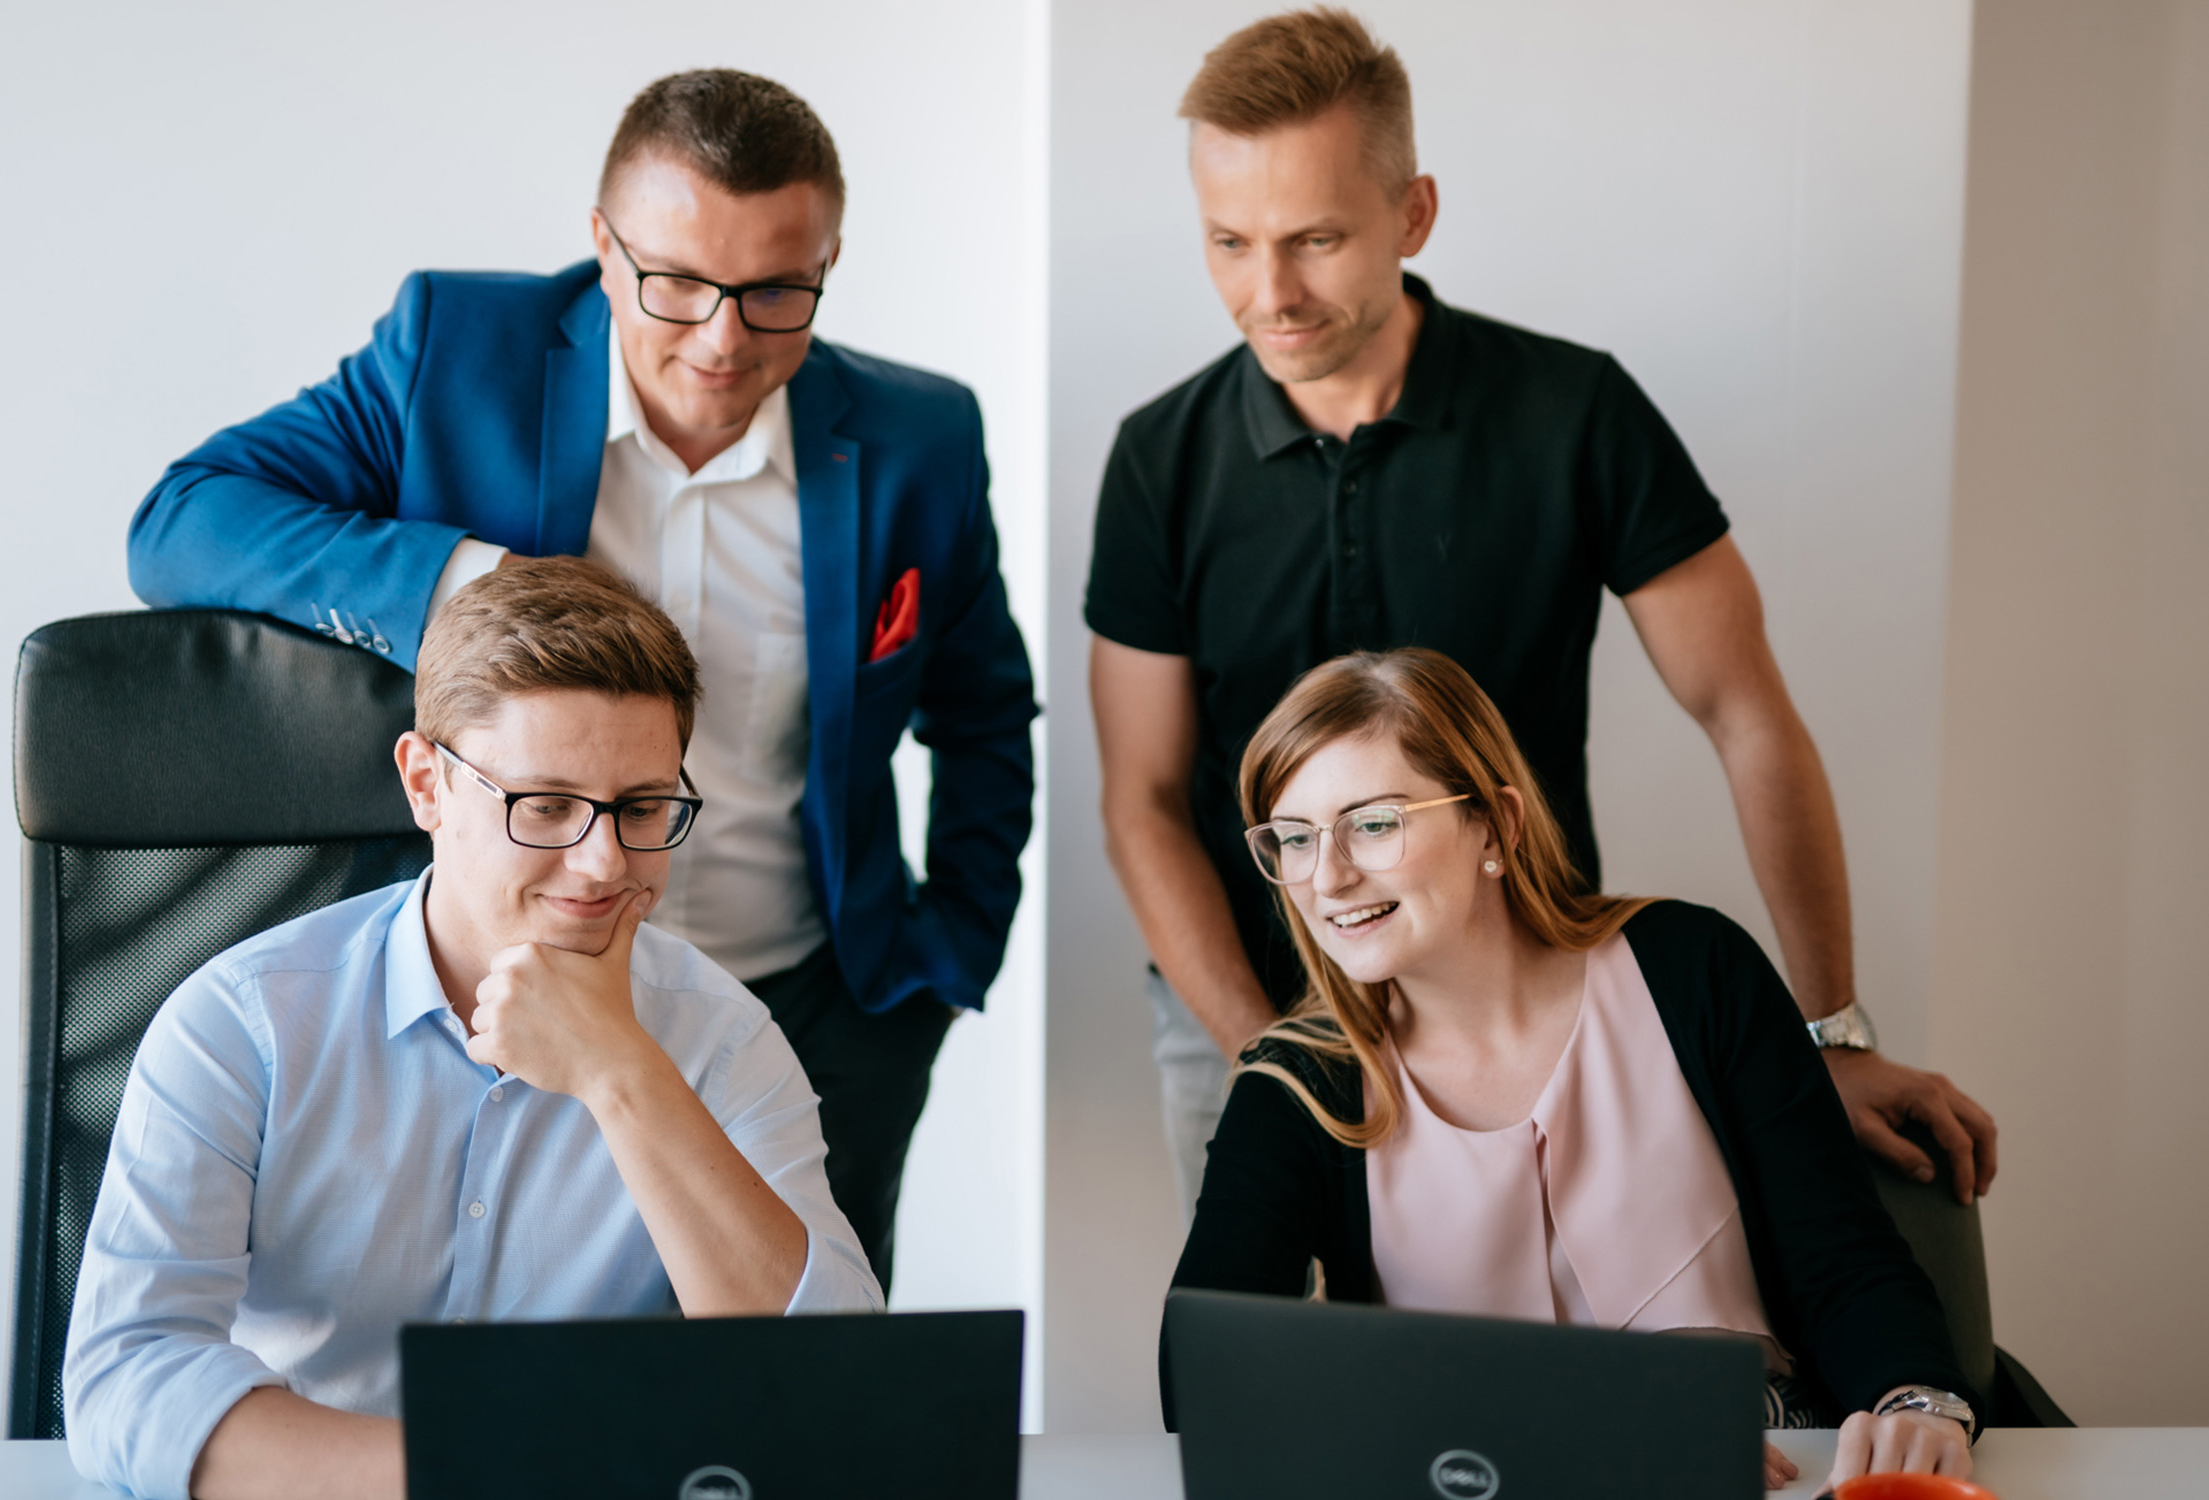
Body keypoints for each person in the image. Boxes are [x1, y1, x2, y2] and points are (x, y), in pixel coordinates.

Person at [125, 69, 1037, 1289]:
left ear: (827, 262)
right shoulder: (456, 352)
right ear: (603, 249)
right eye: (675, 285)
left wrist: (941, 963)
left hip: (817, 1014)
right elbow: (182, 521)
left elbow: (982, 713)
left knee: (803, 1402)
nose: (723, 338)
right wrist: (464, 582)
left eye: (776, 291)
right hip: (498, 1002)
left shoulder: (922, 436)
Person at [1084, 8, 1995, 1216]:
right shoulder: (1159, 459)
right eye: (1228, 242)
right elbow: (1141, 800)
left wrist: (1827, 1032)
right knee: (1276, 1397)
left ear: (1412, 215)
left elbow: (1746, 716)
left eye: (1313, 238)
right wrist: (1280, 1065)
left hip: (1545, 1015)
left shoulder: (1576, 413)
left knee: (1544, 1389)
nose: (1270, 292)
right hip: (1250, 1017)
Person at [63, 558, 879, 1500]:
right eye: (547, 806)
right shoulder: (244, 1025)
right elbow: (128, 1374)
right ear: (427, 787)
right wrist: (474, 1474)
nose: (603, 862)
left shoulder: (723, 1039)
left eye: (643, 807)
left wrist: (622, 1074)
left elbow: (837, 1391)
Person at [1166, 647, 1978, 1492]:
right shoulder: (1295, 1082)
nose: (1326, 877)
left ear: (1496, 825)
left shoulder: (1696, 971)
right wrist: (1580, 1429)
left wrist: (1915, 1403)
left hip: (1767, 1473)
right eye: (1293, 840)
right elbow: (1204, 1376)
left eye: (1373, 823)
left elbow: (1846, 1264)